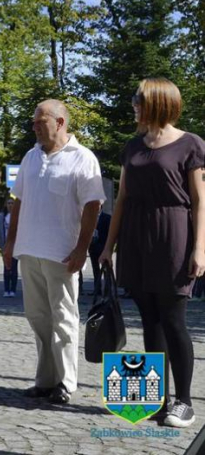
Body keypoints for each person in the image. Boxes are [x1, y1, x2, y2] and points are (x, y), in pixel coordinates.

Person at [99, 78, 204, 428]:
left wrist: (200, 248)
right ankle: (157, 400)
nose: (133, 105)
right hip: (136, 236)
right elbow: (123, 199)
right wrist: (108, 246)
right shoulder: (132, 147)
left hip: (174, 233)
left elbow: (201, 202)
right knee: (149, 322)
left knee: (174, 320)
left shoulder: (190, 144)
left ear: (157, 102)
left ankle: (185, 402)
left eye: (138, 99)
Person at [3, 99, 105, 405]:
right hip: (29, 249)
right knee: (37, 318)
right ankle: (45, 380)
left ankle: (66, 382)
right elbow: (18, 201)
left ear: (60, 122)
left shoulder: (82, 158)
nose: (35, 127)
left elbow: (93, 205)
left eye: (40, 122)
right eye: (34, 122)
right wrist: (10, 242)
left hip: (62, 253)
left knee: (63, 318)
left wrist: (82, 248)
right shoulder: (30, 157)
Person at [0, 198, 19, 297]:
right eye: (8, 203)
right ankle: (6, 289)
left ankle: (13, 290)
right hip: (5, 244)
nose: (10, 205)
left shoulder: (18, 216)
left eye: (12, 203)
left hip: (16, 245)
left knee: (14, 267)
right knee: (6, 268)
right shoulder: (1, 216)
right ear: (5, 204)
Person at [87, 209, 111, 299]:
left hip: (103, 248)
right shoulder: (89, 217)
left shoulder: (107, 218)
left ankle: (107, 290)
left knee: (106, 270)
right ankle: (97, 289)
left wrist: (108, 247)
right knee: (95, 270)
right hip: (93, 248)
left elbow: (109, 233)